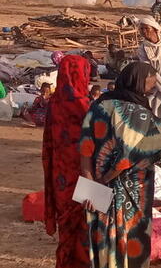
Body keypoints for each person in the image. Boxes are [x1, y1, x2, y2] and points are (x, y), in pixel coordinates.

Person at [80, 62, 161, 268]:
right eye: (152, 77)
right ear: (139, 79)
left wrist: (91, 181)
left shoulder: (98, 105)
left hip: (96, 183)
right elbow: (132, 156)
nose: (153, 82)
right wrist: (106, 180)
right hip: (131, 188)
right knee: (128, 236)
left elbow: (85, 147)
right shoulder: (139, 113)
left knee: (103, 235)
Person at [41, 55, 92, 268]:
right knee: (85, 228)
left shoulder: (54, 105)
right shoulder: (85, 106)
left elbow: (47, 145)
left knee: (67, 227)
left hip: (60, 176)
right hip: (85, 174)